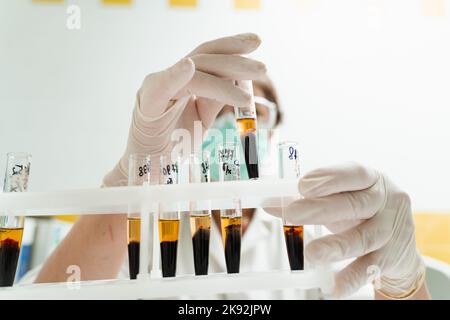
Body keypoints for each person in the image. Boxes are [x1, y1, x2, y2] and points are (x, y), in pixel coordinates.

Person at [26, 33, 430, 300]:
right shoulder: (146, 228)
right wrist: (133, 181)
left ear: (272, 131)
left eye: (252, 113)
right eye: (220, 111)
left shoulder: (316, 232)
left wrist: (404, 285)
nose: (235, 128)